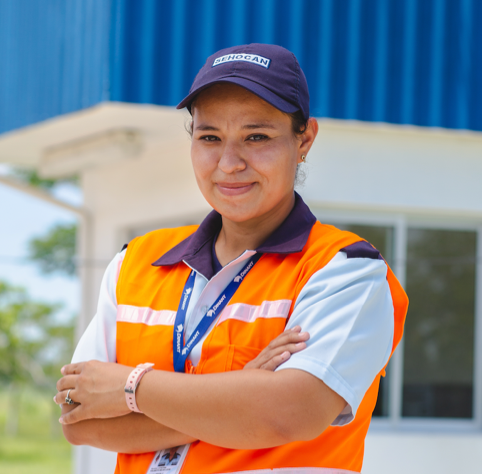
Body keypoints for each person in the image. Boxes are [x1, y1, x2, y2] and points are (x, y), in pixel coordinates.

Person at [54, 43, 408, 474]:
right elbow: (79, 420)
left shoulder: (344, 271)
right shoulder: (136, 263)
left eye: (256, 137)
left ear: (304, 139)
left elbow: (288, 414)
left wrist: (131, 388)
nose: (229, 163)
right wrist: (235, 398)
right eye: (209, 138)